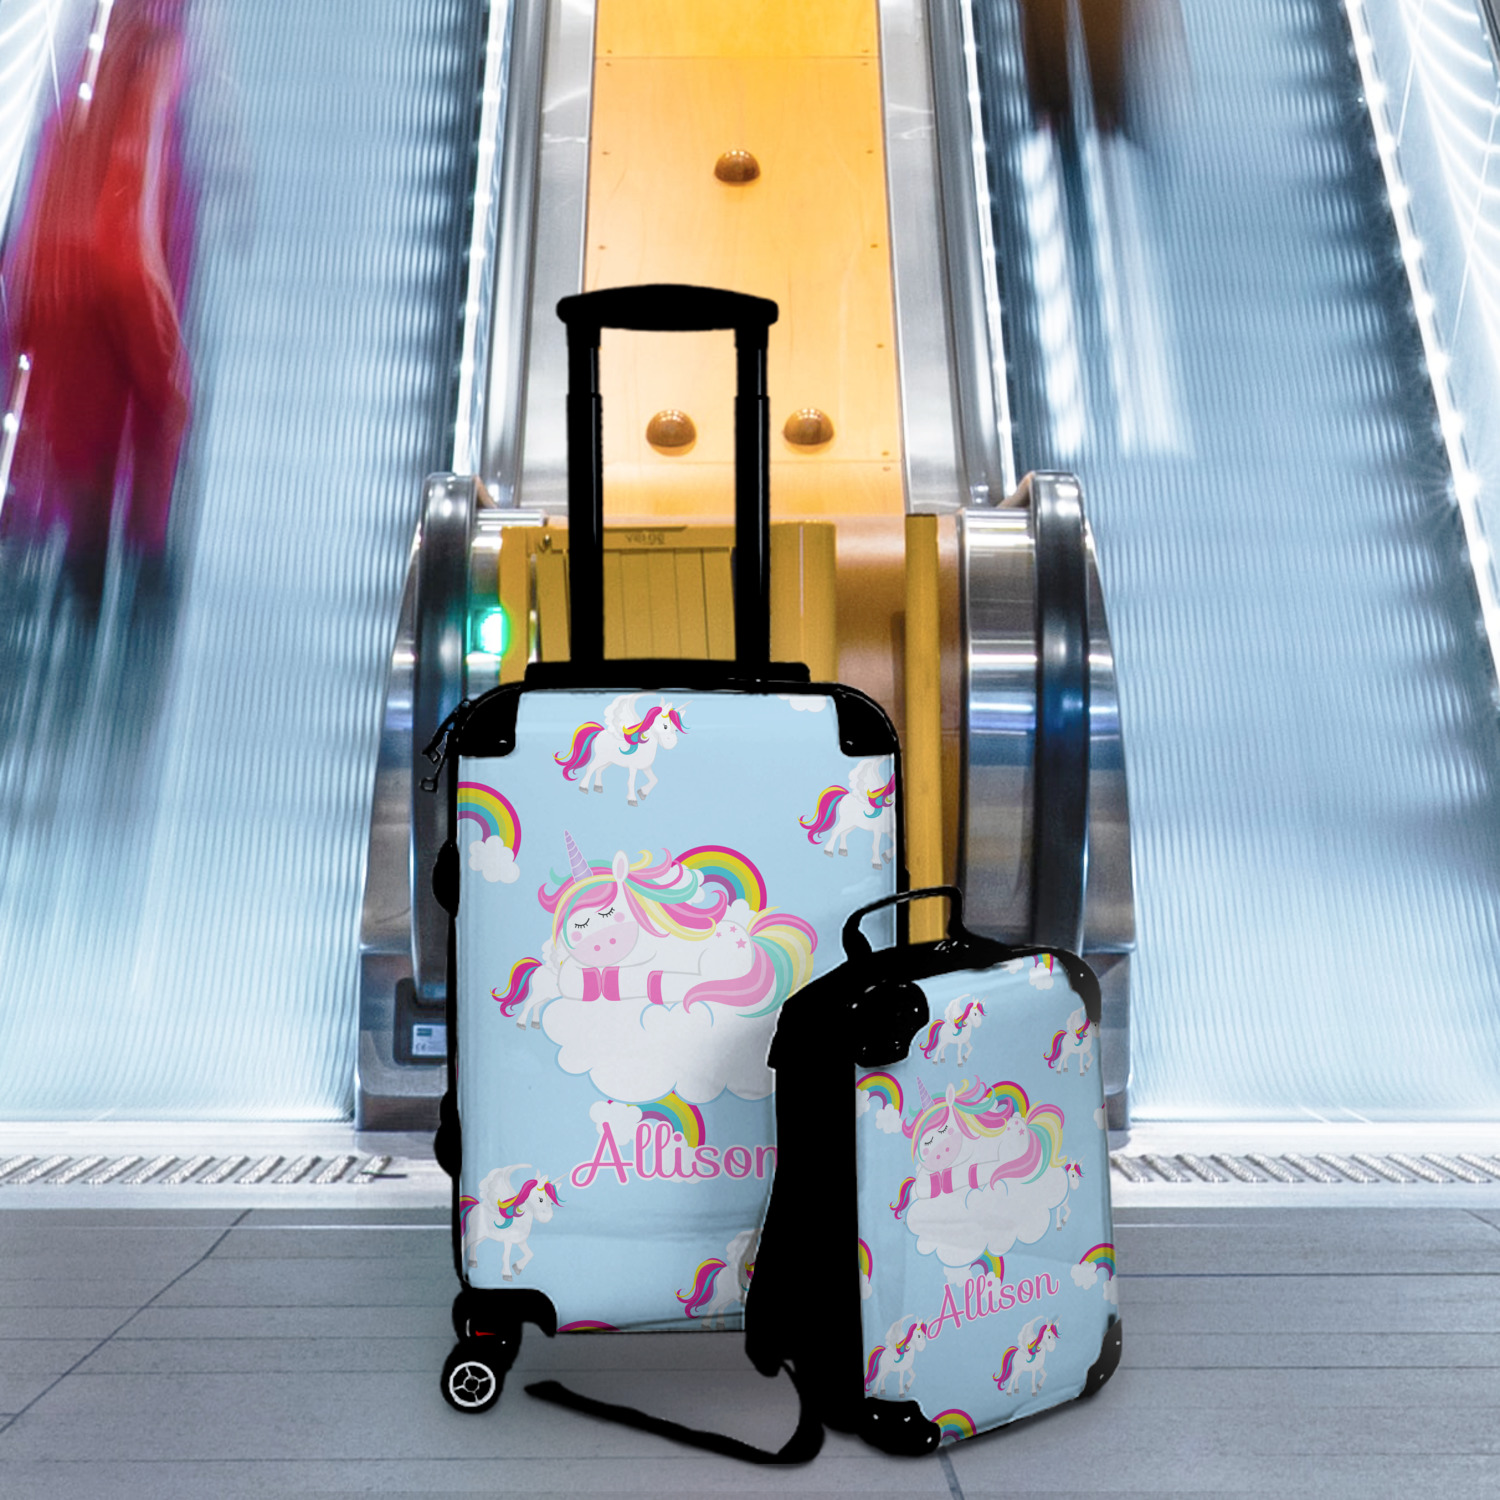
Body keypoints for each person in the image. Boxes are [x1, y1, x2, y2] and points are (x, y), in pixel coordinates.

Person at [3, 0, 192, 608]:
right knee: (162, 401)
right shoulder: (154, 49)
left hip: (46, 267)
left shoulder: (70, 51)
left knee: (80, 426)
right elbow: (130, 186)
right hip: (113, 263)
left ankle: (88, 565)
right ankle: (144, 561)